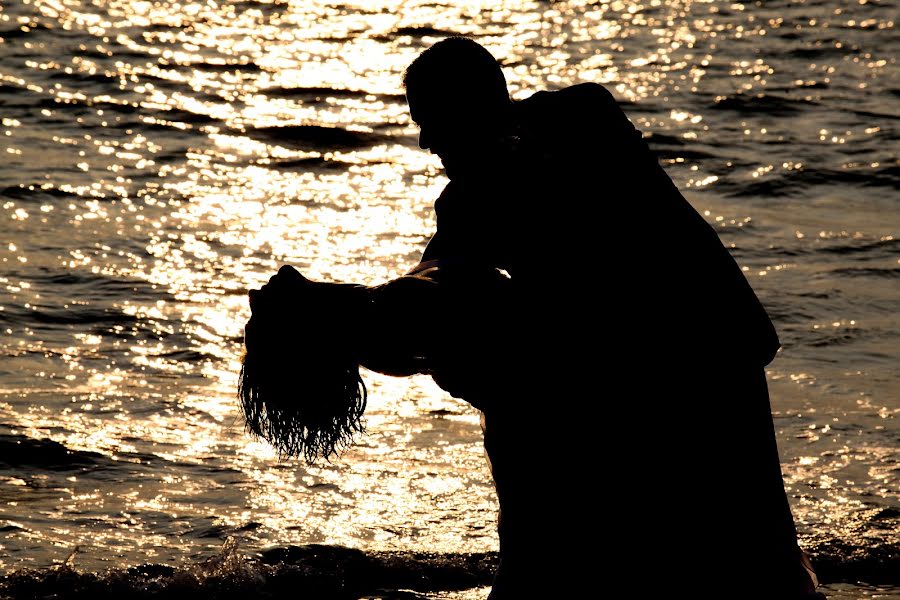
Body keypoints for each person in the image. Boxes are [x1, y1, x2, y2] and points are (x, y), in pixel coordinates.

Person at [242, 37, 823, 598]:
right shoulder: (559, 135)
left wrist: (335, 309)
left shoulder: (556, 137)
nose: (424, 141)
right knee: (756, 560)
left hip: (685, 361)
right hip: (702, 352)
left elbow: (442, 289)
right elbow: (438, 291)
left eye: (430, 119)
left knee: (739, 560)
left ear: (469, 107)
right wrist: (342, 307)